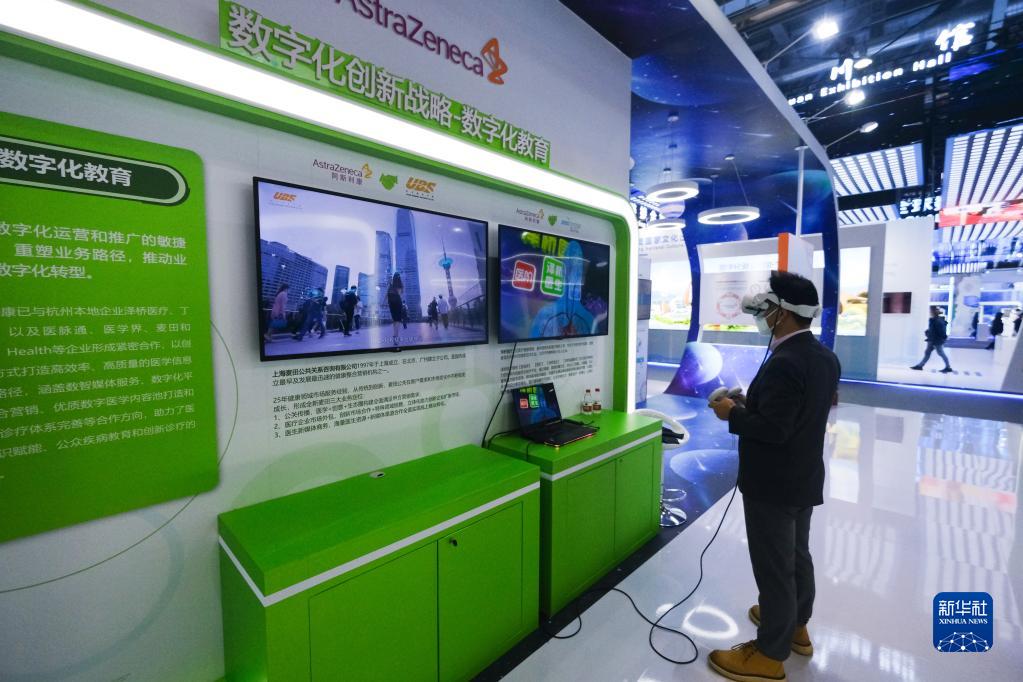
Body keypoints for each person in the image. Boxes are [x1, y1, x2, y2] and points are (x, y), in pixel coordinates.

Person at [707, 271, 840, 682]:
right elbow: (796, 414)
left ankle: (769, 654)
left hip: (773, 483)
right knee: (796, 555)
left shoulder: (784, 361)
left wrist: (732, 413)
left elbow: (775, 430)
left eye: (765, 309)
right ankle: (796, 625)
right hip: (803, 476)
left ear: (781, 313)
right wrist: (751, 402)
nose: (761, 316)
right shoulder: (823, 357)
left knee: (774, 568)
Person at [909, 306, 953, 372]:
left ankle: (948, 367)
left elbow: (941, 331)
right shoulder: (934, 320)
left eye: (930, 311)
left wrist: (933, 336)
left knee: (940, 353)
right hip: (932, 340)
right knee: (928, 352)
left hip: (936, 340)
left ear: (933, 312)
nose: (929, 312)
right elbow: (933, 330)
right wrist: (928, 332)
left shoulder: (937, 320)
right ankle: (920, 366)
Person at [386, 273, 404, 345]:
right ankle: (395, 335)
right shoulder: (399, 284)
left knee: (394, 319)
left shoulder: (391, 285)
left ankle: (395, 334)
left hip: (391, 303)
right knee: (398, 320)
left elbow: (387, 294)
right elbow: (399, 294)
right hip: (398, 302)